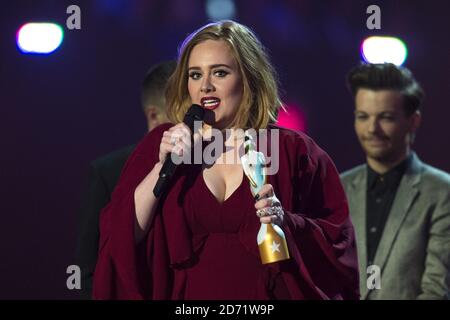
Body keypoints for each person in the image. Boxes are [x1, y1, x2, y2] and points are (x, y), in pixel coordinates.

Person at [92, 20, 359, 300]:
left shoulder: (293, 150)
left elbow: (338, 242)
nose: (205, 86)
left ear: (249, 77)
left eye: (219, 73)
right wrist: (162, 165)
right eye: (195, 75)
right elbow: (121, 238)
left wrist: (288, 223)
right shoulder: (163, 143)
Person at [341, 63, 450, 299]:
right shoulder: (338, 187)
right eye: (363, 116)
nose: (372, 128)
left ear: (413, 121)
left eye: (386, 117)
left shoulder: (442, 192)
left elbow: (436, 290)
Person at [75, 61, 177, 299]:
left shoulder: (207, 166)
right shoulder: (108, 171)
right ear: (154, 115)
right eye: (184, 112)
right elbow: (87, 270)